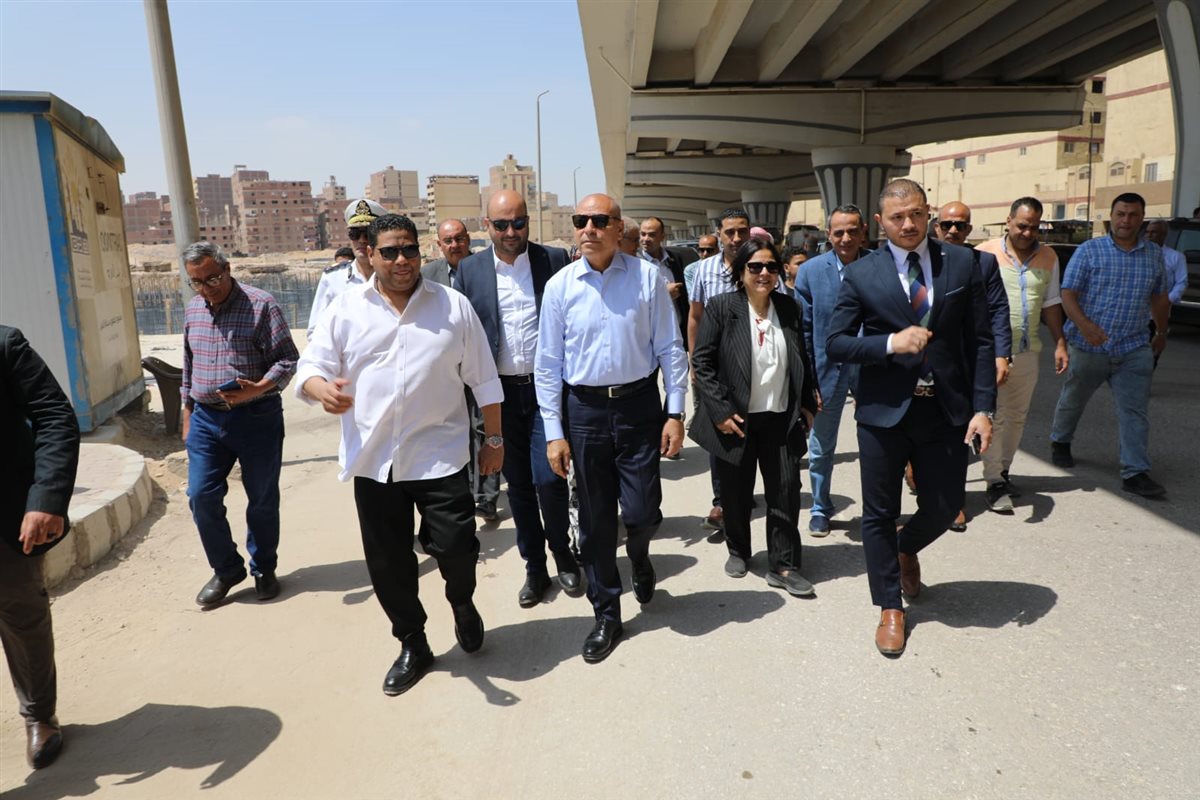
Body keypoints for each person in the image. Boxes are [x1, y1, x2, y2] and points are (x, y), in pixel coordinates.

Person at [296, 213, 503, 695]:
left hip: (440, 455)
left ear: (421, 250)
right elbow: (310, 367)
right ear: (370, 253)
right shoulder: (346, 309)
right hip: (374, 461)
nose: (401, 260)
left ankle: (462, 602)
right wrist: (322, 390)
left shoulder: (451, 306)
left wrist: (494, 441)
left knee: (457, 547)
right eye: (389, 251)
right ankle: (413, 641)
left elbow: (484, 379)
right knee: (388, 564)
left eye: (409, 249)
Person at [826, 179, 995, 657]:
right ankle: (889, 606)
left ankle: (905, 548)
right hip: (883, 410)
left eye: (917, 214)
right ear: (880, 223)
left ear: (928, 214)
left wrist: (983, 407)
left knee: (945, 505)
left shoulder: (962, 262)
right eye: (897, 217)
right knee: (879, 513)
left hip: (945, 408)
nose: (908, 224)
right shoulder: (861, 272)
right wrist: (888, 343)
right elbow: (837, 343)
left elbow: (981, 341)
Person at [535, 194, 687, 663]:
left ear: (619, 228)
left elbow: (670, 347)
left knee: (642, 512)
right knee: (596, 521)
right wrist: (555, 432)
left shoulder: (646, 278)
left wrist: (675, 413)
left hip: (639, 407)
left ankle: (639, 555)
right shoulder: (560, 287)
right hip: (584, 411)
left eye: (600, 220)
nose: (589, 228)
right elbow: (548, 364)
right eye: (581, 220)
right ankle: (607, 613)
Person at [454, 191, 579, 608]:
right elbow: (463, 335)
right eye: (501, 224)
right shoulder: (469, 271)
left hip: (547, 391)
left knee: (550, 478)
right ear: (486, 225)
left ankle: (564, 554)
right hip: (499, 397)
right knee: (521, 487)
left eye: (519, 223)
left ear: (528, 222)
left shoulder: (554, 261)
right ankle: (534, 568)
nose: (511, 232)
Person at [690, 240, 818, 595]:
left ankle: (784, 565)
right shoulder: (722, 307)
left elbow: (802, 357)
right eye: (755, 267)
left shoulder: (789, 308)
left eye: (771, 267)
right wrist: (719, 411)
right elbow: (702, 362)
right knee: (735, 493)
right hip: (736, 418)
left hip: (780, 417)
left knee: (786, 491)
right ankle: (738, 549)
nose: (764, 273)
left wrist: (808, 401)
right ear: (741, 271)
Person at [181, 241, 299, 606]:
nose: (206, 288)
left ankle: (263, 568)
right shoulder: (193, 309)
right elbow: (188, 366)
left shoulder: (261, 305)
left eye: (212, 278)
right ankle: (227, 569)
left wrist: (258, 388)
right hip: (206, 419)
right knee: (200, 495)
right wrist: (187, 416)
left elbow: (287, 360)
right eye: (197, 282)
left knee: (261, 498)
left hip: (257, 417)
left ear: (227, 269)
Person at [1049, 193, 1171, 497]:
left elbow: (1159, 296)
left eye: (1133, 215)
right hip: (1089, 346)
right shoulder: (1090, 251)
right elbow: (1068, 293)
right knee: (1074, 399)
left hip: (1133, 347)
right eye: (1120, 214)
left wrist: (1161, 331)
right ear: (1111, 216)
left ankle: (1135, 472)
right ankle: (1060, 440)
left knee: (1134, 411)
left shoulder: (1154, 255)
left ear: (1142, 219)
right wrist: (1084, 326)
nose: (1126, 220)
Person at [1, 326, 80, 770]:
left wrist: (46, 499)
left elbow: (54, 416)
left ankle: (39, 715)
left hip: (5, 521)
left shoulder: (5, 345)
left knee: (21, 616)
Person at [975, 198, 1069, 512]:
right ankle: (993, 480)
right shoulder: (985, 253)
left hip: (1028, 352)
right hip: (993, 352)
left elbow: (1052, 303)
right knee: (996, 416)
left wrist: (1060, 342)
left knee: (1017, 416)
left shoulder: (1048, 256)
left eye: (1034, 227)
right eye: (1022, 226)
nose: (1028, 233)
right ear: (1008, 221)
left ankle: (1002, 471)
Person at [932, 200, 1012, 530]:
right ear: (936, 226)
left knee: (959, 435)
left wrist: (1001, 354)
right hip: (925, 361)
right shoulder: (922, 259)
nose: (953, 230)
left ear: (969, 229)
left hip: (966, 364)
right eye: (947, 224)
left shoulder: (985, 263)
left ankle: (954, 503)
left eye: (960, 225)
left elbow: (998, 310)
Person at [795, 204, 869, 535]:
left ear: (864, 231)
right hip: (827, 371)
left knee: (877, 444)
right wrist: (810, 382)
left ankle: (877, 510)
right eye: (839, 232)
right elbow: (804, 331)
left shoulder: (880, 266)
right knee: (821, 447)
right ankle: (820, 508)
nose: (846, 238)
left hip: (871, 369)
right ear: (828, 234)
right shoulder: (810, 272)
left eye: (852, 230)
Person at [423, 218, 502, 519]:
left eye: (459, 239)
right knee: (457, 430)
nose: (455, 245)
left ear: (468, 239)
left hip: (481, 364)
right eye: (448, 241)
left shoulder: (485, 270)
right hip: (446, 371)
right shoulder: (427, 275)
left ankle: (487, 498)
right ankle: (466, 491)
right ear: (439, 244)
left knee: (485, 429)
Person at [688, 209, 752, 533]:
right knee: (720, 430)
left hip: (756, 366)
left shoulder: (762, 265)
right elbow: (695, 316)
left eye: (742, 231)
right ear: (719, 234)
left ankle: (744, 493)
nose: (736, 238)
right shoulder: (704, 269)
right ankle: (722, 501)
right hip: (717, 366)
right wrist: (694, 360)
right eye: (730, 232)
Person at [307, 199, 386, 338]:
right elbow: (316, 331)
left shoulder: (393, 276)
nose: (361, 240)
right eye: (355, 234)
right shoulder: (333, 279)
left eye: (368, 234)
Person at [639, 215, 699, 345]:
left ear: (662, 236)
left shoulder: (677, 259)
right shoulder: (635, 264)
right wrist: (664, 294)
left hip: (678, 334)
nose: (645, 239)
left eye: (651, 235)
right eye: (643, 234)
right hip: (650, 337)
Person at [1144, 219, 1188, 367]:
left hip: (1157, 315)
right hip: (1136, 313)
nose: (1149, 236)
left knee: (1152, 354)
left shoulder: (1175, 257)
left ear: (1164, 235)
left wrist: (1168, 300)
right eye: (1147, 232)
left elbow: (1182, 282)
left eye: (1154, 232)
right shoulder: (1138, 254)